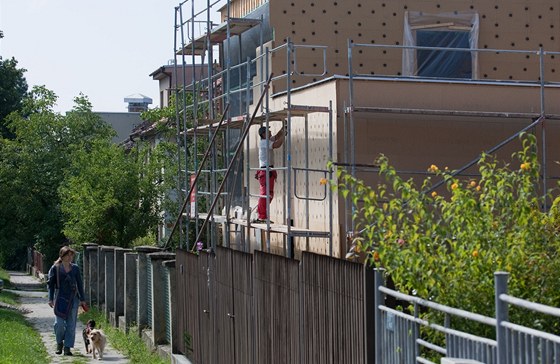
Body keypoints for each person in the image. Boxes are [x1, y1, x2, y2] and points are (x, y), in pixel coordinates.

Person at [47, 246, 86, 356]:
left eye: (71, 255)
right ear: (62, 256)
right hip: (60, 298)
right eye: (67, 255)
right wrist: (50, 298)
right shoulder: (55, 268)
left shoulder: (75, 268)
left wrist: (82, 299)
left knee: (71, 324)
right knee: (58, 324)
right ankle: (59, 343)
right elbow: (51, 285)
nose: (70, 257)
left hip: (73, 299)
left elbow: (79, 284)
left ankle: (67, 347)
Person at [255, 125, 285, 223]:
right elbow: (277, 144)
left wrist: (283, 128)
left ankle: (261, 213)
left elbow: (276, 137)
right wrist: (285, 134)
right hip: (265, 171)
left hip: (269, 171)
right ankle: (262, 216)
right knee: (265, 194)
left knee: (269, 194)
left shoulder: (267, 140)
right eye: (268, 131)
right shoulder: (264, 142)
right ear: (264, 134)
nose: (270, 132)